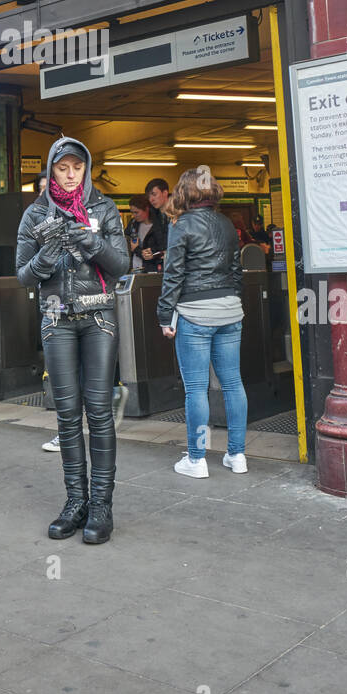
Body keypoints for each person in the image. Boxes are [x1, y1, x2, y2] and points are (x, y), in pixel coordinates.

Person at [16, 137, 128, 543]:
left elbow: (122, 264)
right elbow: (23, 274)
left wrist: (90, 241)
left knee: (98, 411)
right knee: (66, 415)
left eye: (76, 168)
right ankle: (75, 501)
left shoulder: (105, 208)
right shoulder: (34, 215)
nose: (69, 175)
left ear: (86, 169)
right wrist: (46, 256)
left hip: (98, 316)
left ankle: (101, 505)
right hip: (56, 318)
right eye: (62, 168)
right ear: (51, 170)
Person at [158, 167, 248, 479]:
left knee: (196, 388)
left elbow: (173, 274)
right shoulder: (226, 224)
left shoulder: (181, 225)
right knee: (233, 383)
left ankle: (196, 459)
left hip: (195, 313)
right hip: (229, 311)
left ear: (184, 192)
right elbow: (236, 271)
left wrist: (164, 316)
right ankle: (237, 455)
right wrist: (233, 302)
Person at [126, 194, 165, 272]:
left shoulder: (159, 226)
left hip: (151, 270)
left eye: (136, 212)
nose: (134, 215)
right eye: (132, 212)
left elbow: (161, 249)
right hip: (133, 268)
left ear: (146, 209)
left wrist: (137, 250)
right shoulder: (133, 224)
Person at [143, 177, 171, 269]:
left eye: (154, 194)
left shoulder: (179, 213)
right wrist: (152, 253)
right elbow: (160, 244)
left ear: (165, 193)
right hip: (164, 266)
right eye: (149, 196)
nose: (151, 199)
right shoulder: (155, 216)